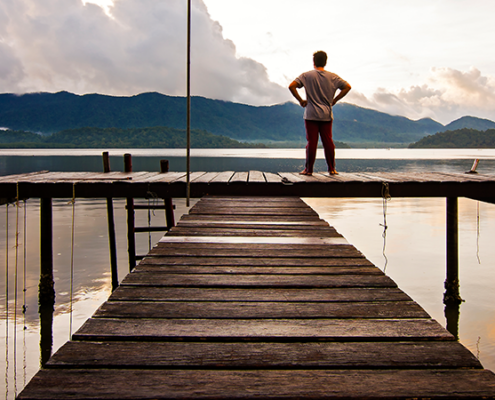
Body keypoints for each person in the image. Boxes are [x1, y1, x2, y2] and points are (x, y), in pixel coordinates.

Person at [289, 51, 351, 175]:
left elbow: (292, 86)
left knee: (312, 142)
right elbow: (347, 87)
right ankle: (332, 169)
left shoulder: (306, 76)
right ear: (325, 62)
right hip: (326, 114)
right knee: (328, 141)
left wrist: (301, 101)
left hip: (311, 114)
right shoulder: (333, 77)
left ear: (314, 62)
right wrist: (335, 100)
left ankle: (308, 170)